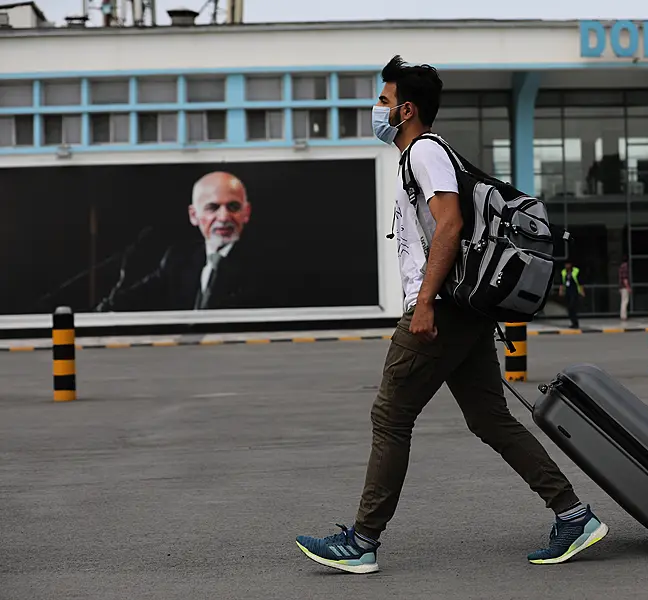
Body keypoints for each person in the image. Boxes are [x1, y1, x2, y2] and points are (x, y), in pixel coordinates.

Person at [294, 55, 607, 575]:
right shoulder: (421, 155)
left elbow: (449, 226)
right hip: (460, 309)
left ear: (407, 110)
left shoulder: (425, 153)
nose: (377, 109)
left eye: (384, 101)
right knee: (489, 417)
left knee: (391, 417)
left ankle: (363, 541)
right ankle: (574, 515)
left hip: (441, 309)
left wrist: (423, 304)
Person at [95, 171, 266, 312]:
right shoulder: (179, 258)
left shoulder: (265, 263)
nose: (223, 217)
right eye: (212, 208)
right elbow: (133, 299)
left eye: (233, 207)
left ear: (247, 212)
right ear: (194, 215)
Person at [559, 261, 585, 329]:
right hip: (567, 292)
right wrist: (561, 291)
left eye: (568, 264)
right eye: (566, 264)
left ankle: (575, 323)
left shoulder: (576, 271)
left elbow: (580, 282)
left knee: (573, 307)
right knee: (569, 308)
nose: (566, 266)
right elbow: (562, 282)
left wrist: (582, 291)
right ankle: (573, 322)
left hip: (575, 292)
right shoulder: (563, 272)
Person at [618, 255, 630, 321]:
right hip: (624, 287)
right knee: (625, 301)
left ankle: (622, 315)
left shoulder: (621, 266)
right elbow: (625, 278)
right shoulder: (625, 266)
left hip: (621, 287)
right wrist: (628, 287)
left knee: (623, 301)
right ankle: (624, 316)